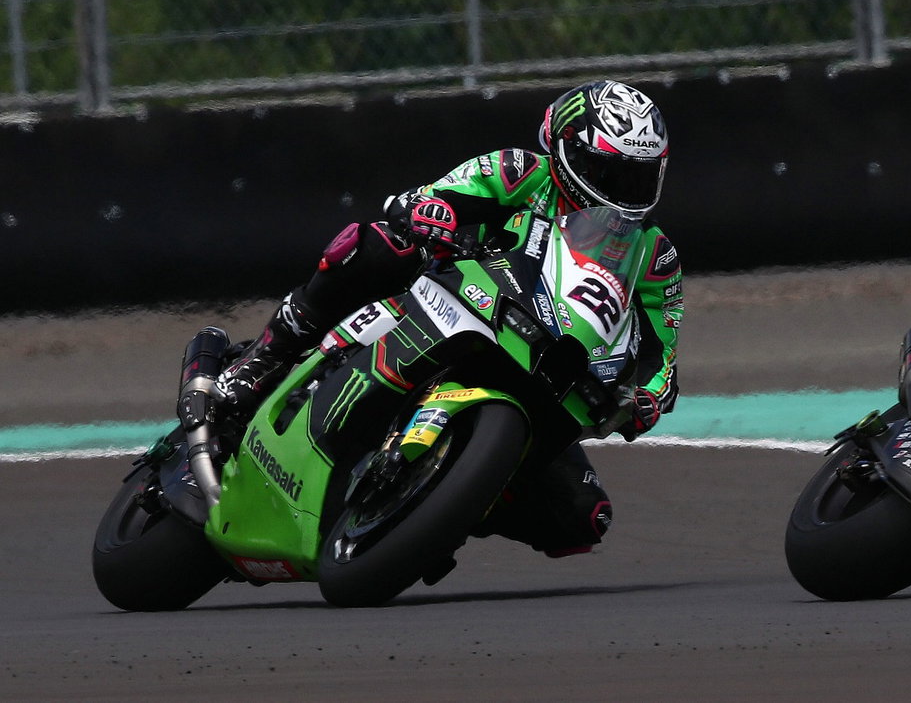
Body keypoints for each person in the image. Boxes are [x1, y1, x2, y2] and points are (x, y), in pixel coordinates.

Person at [214, 79, 683, 559]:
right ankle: (268, 355)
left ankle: (443, 502)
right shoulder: (519, 172)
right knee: (381, 244)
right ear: (567, 154)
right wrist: (431, 212)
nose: (624, 190)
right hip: (453, 297)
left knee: (584, 516)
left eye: (639, 177)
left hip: (545, 367)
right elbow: (433, 196)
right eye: (609, 172)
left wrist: (652, 392)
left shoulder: (654, 254)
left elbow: (661, 348)